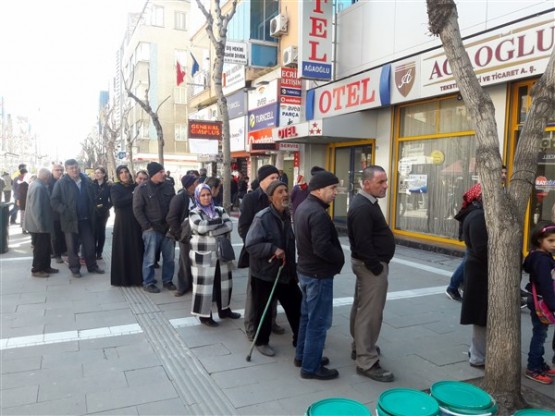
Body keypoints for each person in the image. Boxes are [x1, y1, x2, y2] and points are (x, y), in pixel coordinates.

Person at [294, 171, 345, 380]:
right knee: (318, 321)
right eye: (333, 189)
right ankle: (311, 367)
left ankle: (304, 356)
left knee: (307, 317)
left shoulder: (303, 207)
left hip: (307, 272)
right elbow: (322, 247)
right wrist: (338, 259)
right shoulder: (317, 212)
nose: (336, 193)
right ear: (319, 189)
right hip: (317, 275)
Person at [348, 165, 395, 382]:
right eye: (381, 182)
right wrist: (376, 267)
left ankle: (360, 347)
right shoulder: (362, 207)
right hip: (370, 268)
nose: (386, 186)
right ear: (367, 184)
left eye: (385, 181)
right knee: (370, 313)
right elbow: (362, 242)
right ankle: (366, 361)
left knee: (362, 308)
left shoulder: (367, 202)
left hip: (369, 266)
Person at [245, 180, 302, 357]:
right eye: (280, 192)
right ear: (271, 198)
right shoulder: (262, 217)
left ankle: (300, 339)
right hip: (265, 273)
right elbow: (251, 244)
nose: (285, 194)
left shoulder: (287, 215)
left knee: (297, 306)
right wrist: (272, 249)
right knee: (263, 309)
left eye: (286, 190)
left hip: (285, 273)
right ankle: (261, 341)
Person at [238, 165, 283, 340]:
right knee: (255, 293)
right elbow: (243, 228)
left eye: (277, 177)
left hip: (277, 253)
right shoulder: (251, 199)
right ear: (262, 180)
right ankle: (251, 328)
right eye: (272, 178)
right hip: (258, 254)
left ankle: (271, 321)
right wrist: (255, 246)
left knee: (274, 289)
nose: (276, 181)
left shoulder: (279, 197)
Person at [189, 183, 240, 326]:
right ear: (197, 197)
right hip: (203, 255)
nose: (206, 197)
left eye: (208, 194)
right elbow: (200, 227)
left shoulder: (219, 209)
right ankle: (204, 316)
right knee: (204, 286)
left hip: (221, 254)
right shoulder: (194, 212)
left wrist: (211, 228)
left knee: (224, 283)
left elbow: (229, 225)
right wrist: (218, 224)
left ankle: (224, 310)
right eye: (203, 195)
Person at [50, 159, 104, 278]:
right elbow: (54, 201)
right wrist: (65, 210)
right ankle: (75, 269)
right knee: (72, 247)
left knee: (90, 245)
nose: (74, 170)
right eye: (71, 168)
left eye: (76, 167)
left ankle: (92, 266)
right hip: (70, 221)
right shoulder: (61, 183)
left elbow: (92, 196)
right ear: (67, 170)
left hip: (86, 220)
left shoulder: (86, 180)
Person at [132, 161, 176, 293]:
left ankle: (168, 280)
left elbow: (174, 206)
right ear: (153, 174)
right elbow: (137, 210)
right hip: (152, 230)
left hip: (168, 229)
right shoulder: (141, 189)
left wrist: (173, 225)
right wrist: (147, 226)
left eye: (163, 171)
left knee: (169, 258)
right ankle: (148, 282)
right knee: (150, 258)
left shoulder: (168, 186)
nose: (164, 174)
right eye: (160, 172)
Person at [458, 187, 488, 368]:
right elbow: (482, 249)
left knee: (481, 315)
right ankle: (477, 357)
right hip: (479, 273)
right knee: (480, 316)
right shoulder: (477, 216)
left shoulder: (477, 213)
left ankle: (477, 353)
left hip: (478, 271)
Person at [522, 223, 555, 385]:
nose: (554, 244)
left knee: (540, 333)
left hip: (537, 299)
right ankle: (533, 368)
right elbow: (547, 285)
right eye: (551, 240)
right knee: (540, 335)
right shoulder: (542, 260)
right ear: (540, 240)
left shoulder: (537, 255)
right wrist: (553, 305)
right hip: (542, 302)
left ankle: (539, 364)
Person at [110, 165, 143, 287]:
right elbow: (117, 203)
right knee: (123, 249)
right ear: (118, 175)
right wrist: (133, 195)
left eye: (126, 172)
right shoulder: (115, 188)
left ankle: (137, 278)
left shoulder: (135, 186)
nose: (124, 174)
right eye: (121, 172)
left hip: (135, 222)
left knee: (136, 248)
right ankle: (123, 279)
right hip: (122, 223)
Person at [167, 173, 198, 296]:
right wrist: (179, 233)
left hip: (197, 233)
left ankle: (194, 283)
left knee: (195, 260)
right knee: (185, 260)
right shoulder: (179, 198)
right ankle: (183, 286)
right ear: (189, 185)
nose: (198, 184)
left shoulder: (196, 196)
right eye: (195, 183)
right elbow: (171, 217)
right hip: (185, 234)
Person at [24, 168, 58, 278]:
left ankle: (45, 267)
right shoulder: (38, 187)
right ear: (46, 177)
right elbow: (36, 209)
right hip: (38, 226)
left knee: (46, 247)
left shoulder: (37, 185)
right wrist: (40, 226)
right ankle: (37, 269)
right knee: (40, 248)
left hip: (42, 225)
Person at [92, 167, 112, 260]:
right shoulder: (92, 185)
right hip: (93, 212)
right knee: (94, 232)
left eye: (99, 172)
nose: (97, 174)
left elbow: (112, 200)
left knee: (101, 232)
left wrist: (106, 207)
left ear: (104, 174)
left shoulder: (108, 186)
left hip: (103, 213)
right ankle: (93, 251)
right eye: (96, 172)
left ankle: (99, 252)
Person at [48, 164, 66, 263]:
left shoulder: (64, 181)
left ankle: (63, 251)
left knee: (63, 233)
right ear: (52, 171)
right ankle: (57, 254)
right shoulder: (49, 182)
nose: (59, 172)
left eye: (61, 170)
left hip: (63, 212)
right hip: (54, 213)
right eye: (57, 170)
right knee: (55, 235)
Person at [16, 169, 29, 233]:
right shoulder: (22, 181)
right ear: (24, 173)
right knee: (23, 214)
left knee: (23, 213)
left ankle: (23, 228)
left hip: (22, 199)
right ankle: (23, 228)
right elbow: (18, 190)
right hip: (23, 199)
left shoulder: (17, 179)